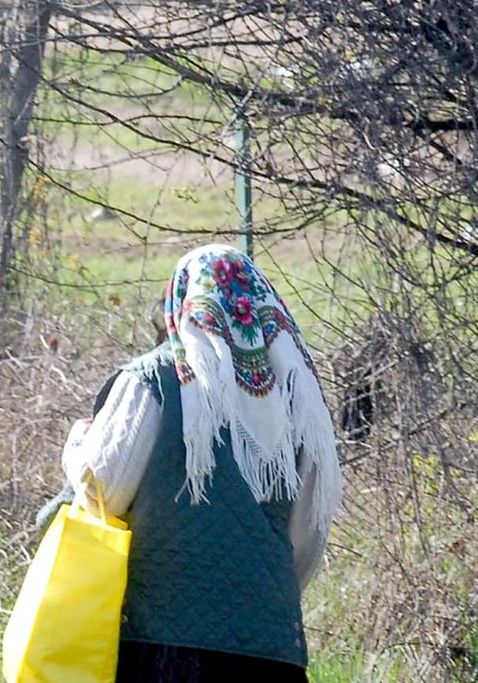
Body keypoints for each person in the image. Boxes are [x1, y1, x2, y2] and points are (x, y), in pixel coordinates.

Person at [45, 244, 342, 682]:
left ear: (181, 304)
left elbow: (101, 488)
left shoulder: (153, 378)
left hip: (163, 645)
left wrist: (78, 443)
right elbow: (309, 536)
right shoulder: (301, 404)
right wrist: (255, 601)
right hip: (270, 646)